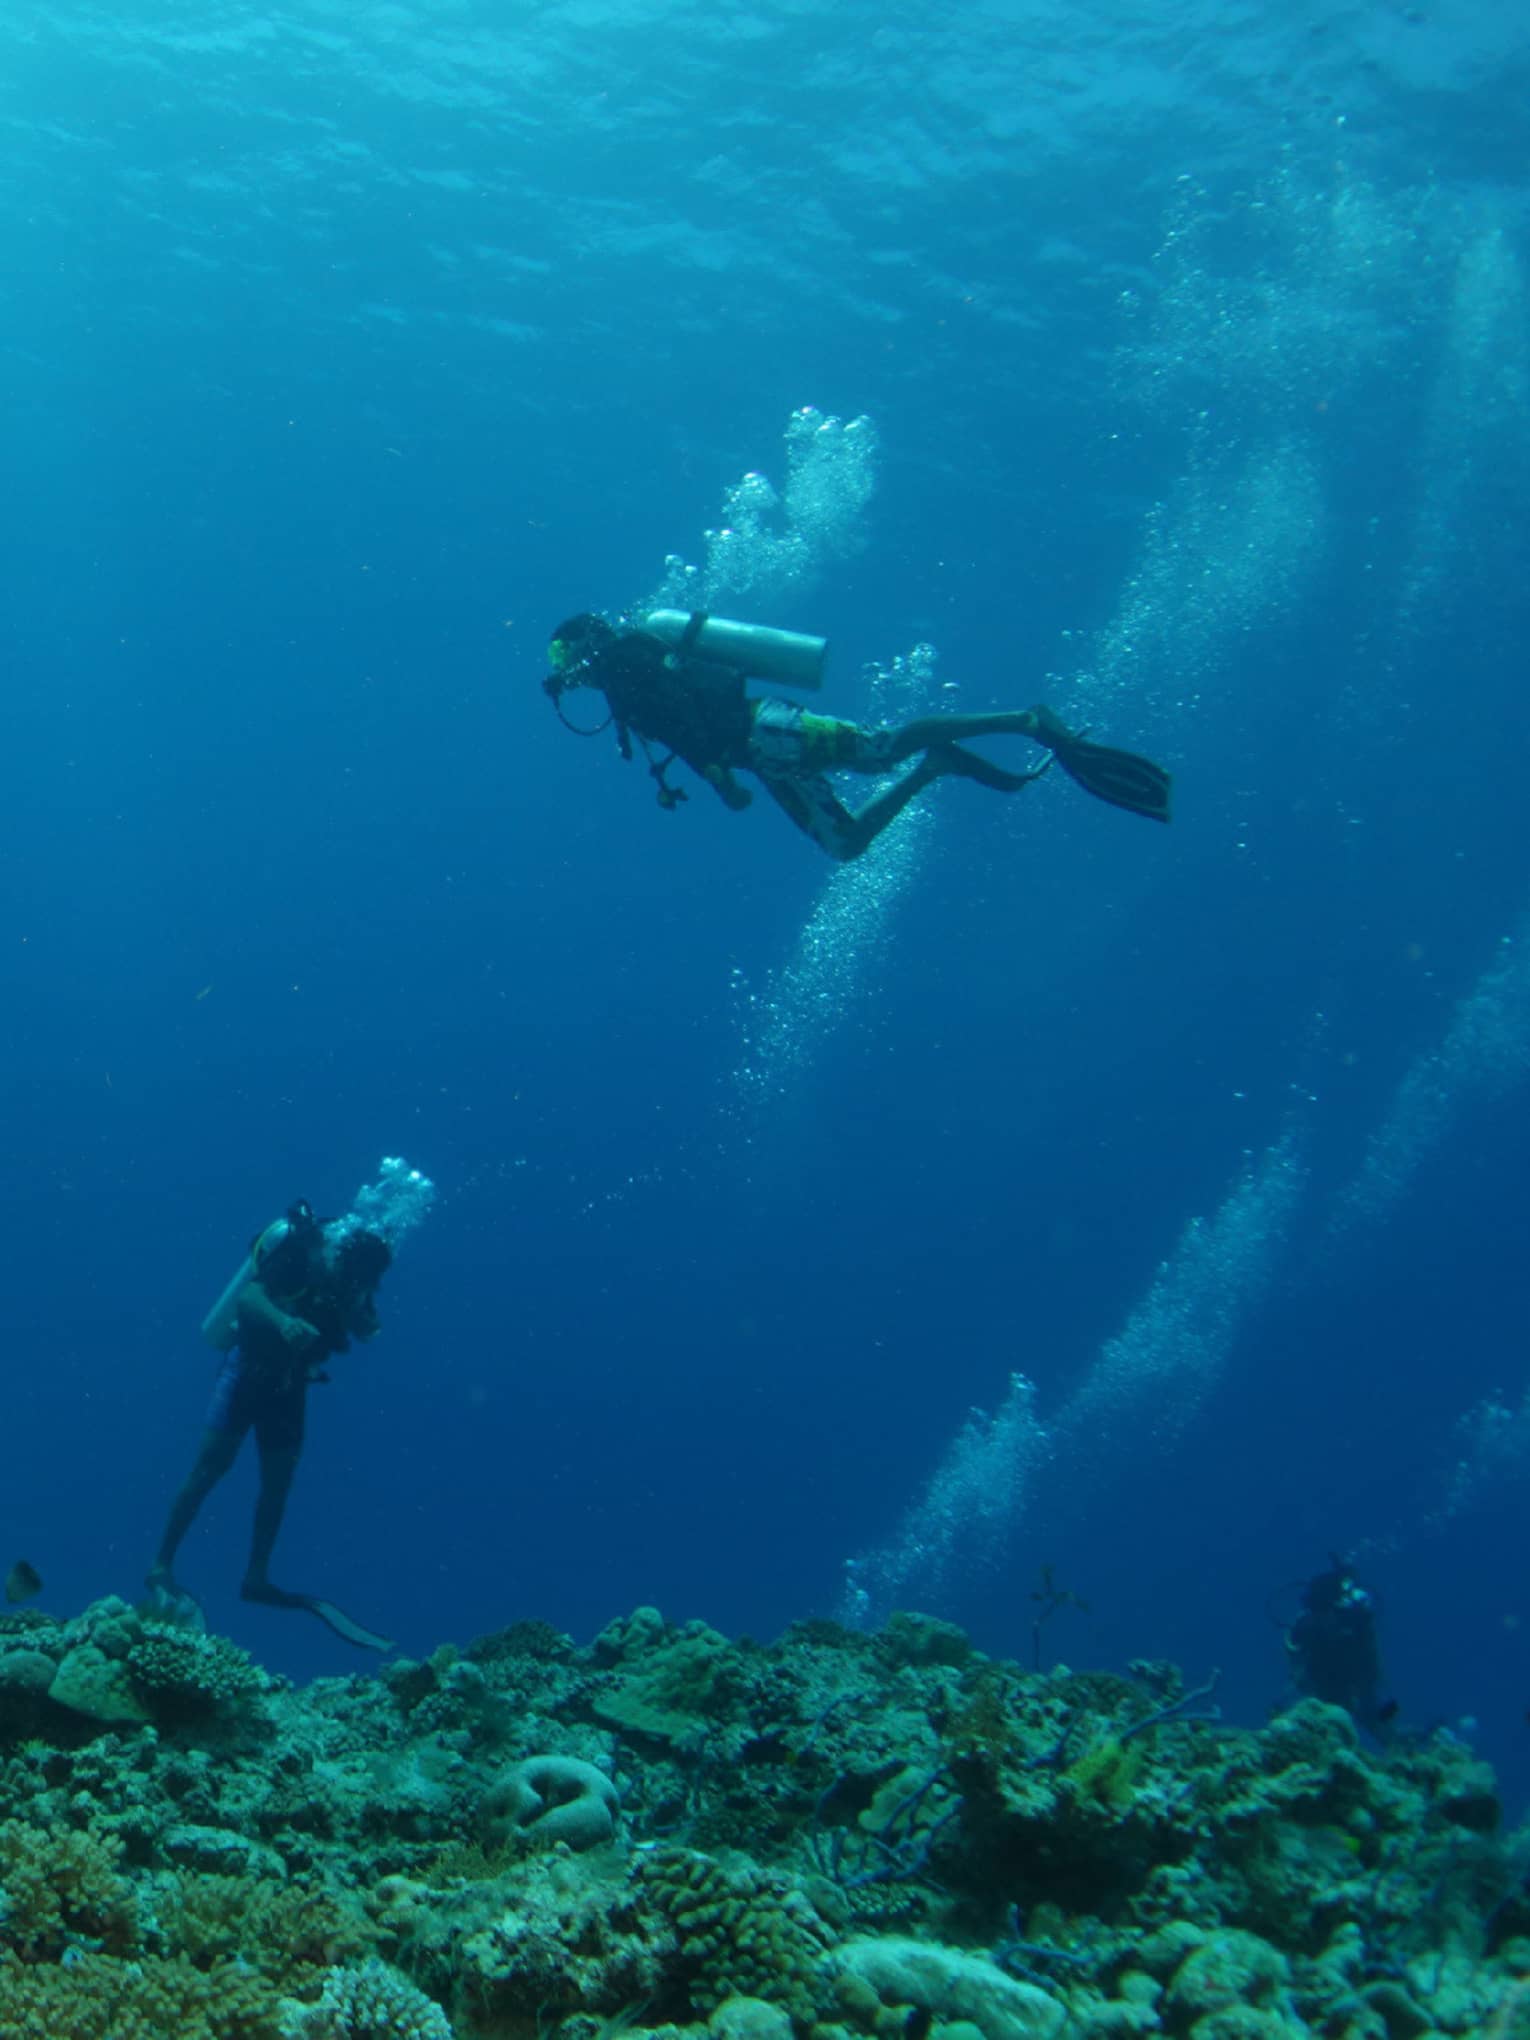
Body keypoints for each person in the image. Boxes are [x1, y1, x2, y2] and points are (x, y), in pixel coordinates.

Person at [543, 608, 1172, 860]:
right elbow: (687, 728)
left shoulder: (625, 668)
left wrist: (718, 778)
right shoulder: (624, 677)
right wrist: (724, 775)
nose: (562, 673)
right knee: (843, 845)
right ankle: (939, 766)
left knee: (880, 748)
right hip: (762, 756)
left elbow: (688, 719)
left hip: (767, 731)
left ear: (580, 646)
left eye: (560, 657)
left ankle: (1024, 721)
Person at [146, 1201, 395, 1651]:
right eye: (359, 1277)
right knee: (208, 1470)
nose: (361, 1284)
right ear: (345, 1258)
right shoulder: (302, 1257)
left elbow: (363, 1328)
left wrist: (360, 1311)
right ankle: (161, 1565)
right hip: (246, 1375)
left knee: (278, 1484)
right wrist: (284, 1322)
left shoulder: (354, 1282)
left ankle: (256, 1577)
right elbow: (249, 1297)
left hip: (290, 1388)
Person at [1284, 1556, 1398, 1739]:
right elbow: (1295, 1663)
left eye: (1324, 1612)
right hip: (1325, 1683)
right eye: (1316, 1613)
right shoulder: (1305, 1627)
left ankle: (1408, 1744)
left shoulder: (1356, 1622)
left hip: (1359, 1677)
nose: (1321, 1619)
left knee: (1381, 1718)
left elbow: (1373, 1665)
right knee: (1325, 1726)